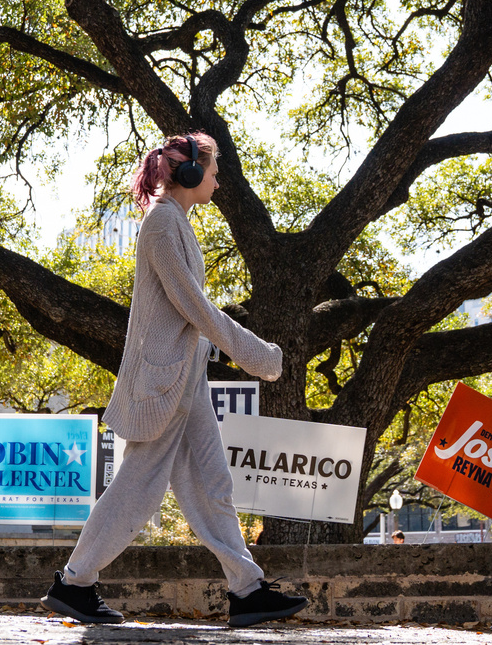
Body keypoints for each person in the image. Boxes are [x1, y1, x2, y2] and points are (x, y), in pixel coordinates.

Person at [40, 133, 308, 627]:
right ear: (189, 174)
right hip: (163, 385)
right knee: (136, 490)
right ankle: (74, 583)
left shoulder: (175, 222)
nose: (218, 179)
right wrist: (258, 356)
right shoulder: (162, 224)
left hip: (185, 381)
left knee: (212, 487)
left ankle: (247, 590)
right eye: (213, 170)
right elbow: (194, 307)